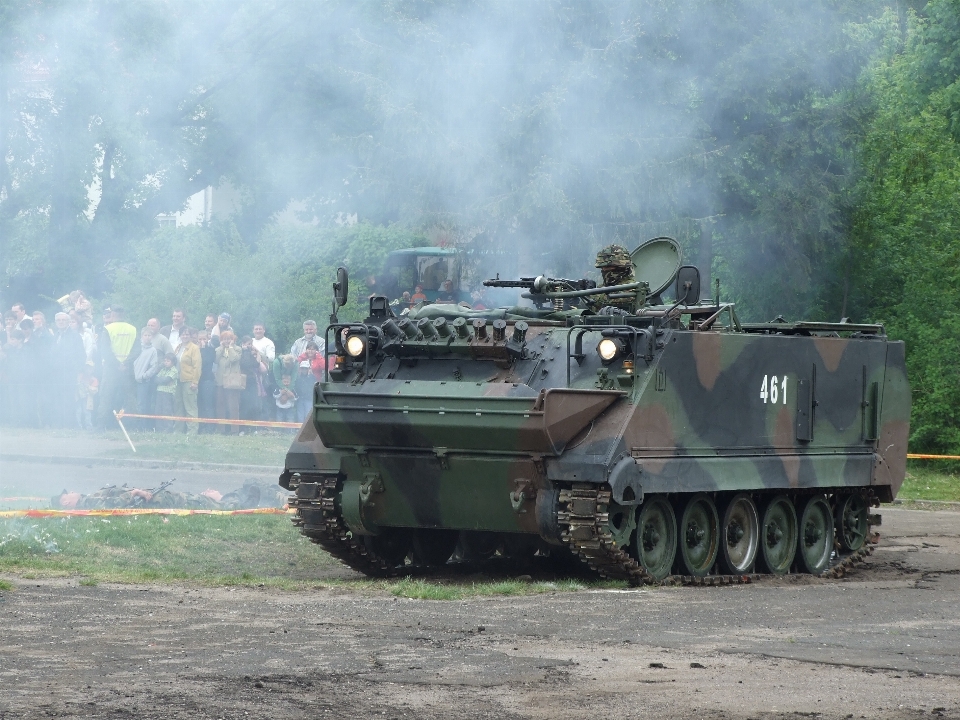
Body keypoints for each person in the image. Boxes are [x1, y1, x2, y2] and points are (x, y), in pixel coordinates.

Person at [96, 306, 139, 429]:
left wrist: (117, 364)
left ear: (113, 315)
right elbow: (137, 350)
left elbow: (105, 350)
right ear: (123, 315)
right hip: (128, 369)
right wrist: (125, 363)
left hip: (111, 370)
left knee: (106, 396)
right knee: (131, 398)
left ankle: (101, 426)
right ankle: (133, 427)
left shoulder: (108, 329)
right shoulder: (133, 329)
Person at [51, 312, 86, 427]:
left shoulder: (74, 336)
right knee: (57, 397)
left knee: (68, 398)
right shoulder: (55, 335)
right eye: (58, 320)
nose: (61, 322)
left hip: (69, 372)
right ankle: (60, 423)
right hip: (56, 372)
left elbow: (81, 354)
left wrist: (80, 371)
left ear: (68, 322)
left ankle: (70, 424)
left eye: (63, 320)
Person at [215, 330, 243, 434]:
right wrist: (222, 348)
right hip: (220, 381)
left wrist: (230, 347)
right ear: (221, 340)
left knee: (233, 407)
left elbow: (234, 359)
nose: (227, 341)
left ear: (233, 339)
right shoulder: (218, 349)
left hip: (233, 382)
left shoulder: (238, 349)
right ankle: (221, 430)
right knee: (220, 406)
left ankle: (234, 430)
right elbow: (216, 360)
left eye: (229, 338)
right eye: (224, 338)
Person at [594, 244, 637, 311]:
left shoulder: (632, 288)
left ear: (621, 267)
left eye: (608, 267)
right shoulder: (603, 287)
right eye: (602, 267)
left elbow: (610, 301)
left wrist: (590, 295)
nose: (604, 270)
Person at [174, 328, 201, 435]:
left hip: (189, 380)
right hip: (178, 380)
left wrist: (195, 381)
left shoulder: (194, 348)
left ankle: (192, 431)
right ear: (180, 336)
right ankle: (178, 430)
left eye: (187, 334)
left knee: (190, 407)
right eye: (182, 334)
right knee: (178, 407)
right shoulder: (178, 347)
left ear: (190, 336)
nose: (184, 336)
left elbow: (197, 366)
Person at [133, 327, 160, 431]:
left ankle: (143, 426)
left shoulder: (153, 350)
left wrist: (144, 376)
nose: (147, 337)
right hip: (133, 379)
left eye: (149, 335)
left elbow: (154, 366)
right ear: (141, 336)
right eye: (145, 335)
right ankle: (134, 425)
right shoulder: (136, 348)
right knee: (134, 403)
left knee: (143, 404)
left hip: (144, 381)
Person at [239, 336, 265, 425]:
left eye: (251, 344)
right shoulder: (241, 352)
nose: (250, 346)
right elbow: (245, 364)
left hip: (252, 380)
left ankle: (254, 427)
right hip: (243, 380)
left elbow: (256, 364)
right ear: (243, 344)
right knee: (244, 403)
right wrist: (245, 350)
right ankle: (243, 427)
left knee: (253, 403)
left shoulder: (250, 353)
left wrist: (257, 353)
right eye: (248, 344)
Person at [196, 330, 217, 433]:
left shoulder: (210, 350)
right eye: (200, 339)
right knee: (199, 404)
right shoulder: (195, 349)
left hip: (207, 380)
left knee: (208, 405)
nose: (202, 341)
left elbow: (206, 361)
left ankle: (210, 427)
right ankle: (201, 426)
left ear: (208, 339)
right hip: (197, 380)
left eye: (204, 339)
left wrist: (203, 349)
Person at [154, 353, 179, 432]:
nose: (166, 362)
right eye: (165, 361)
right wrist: (162, 380)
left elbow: (167, 380)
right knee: (158, 410)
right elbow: (156, 379)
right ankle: (159, 429)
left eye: (168, 361)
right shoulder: (163, 369)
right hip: (159, 391)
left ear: (173, 362)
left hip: (168, 393)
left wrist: (162, 380)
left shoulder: (174, 370)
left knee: (167, 411)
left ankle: (168, 429)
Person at [76, 361, 98, 430]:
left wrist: (88, 386)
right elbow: (77, 384)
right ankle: (78, 426)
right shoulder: (80, 376)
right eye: (87, 368)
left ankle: (88, 426)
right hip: (79, 397)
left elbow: (94, 390)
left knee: (87, 412)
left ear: (93, 370)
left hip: (87, 399)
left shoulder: (94, 379)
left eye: (90, 368)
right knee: (78, 411)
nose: (88, 370)